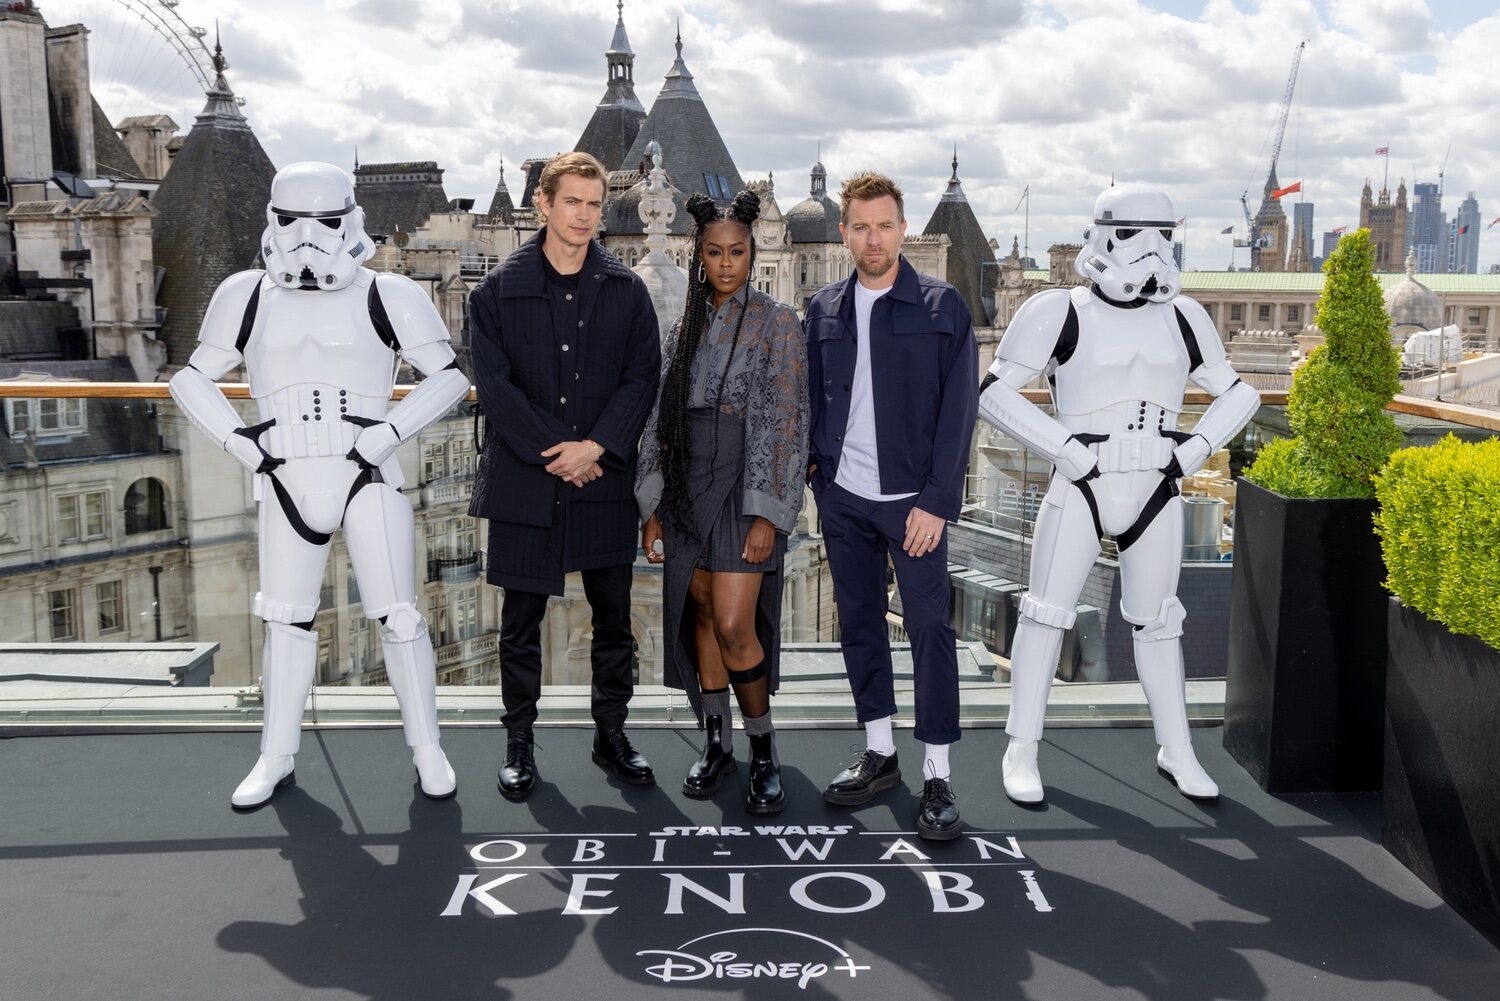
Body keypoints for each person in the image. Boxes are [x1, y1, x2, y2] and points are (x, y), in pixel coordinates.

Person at [169, 161, 469, 810]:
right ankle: (275, 755)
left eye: (325, 221)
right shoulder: (245, 293)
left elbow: (447, 377)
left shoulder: (387, 293)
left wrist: (386, 433)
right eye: (293, 220)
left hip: (365, 471)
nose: (309, 236)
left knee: (400, 615)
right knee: (285, 620)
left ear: (349, 218)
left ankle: (428, 749)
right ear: (273, 220)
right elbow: (190, 378)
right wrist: (241, 442)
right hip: (285, 474)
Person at [978, 183, 1260, 804]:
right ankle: (1021, 747)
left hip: (1157, 484)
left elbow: (1240, 393)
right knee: (1045, 612)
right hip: (1084, 481)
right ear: (1104, 235)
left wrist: (1190, 451)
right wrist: (1067, 451)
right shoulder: (1058, 310)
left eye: (1165, 236)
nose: (1152, 250)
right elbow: (994, 392)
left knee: (1160, 623)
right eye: (1136, 234)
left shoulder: (1184, 316)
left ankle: (1177, 748)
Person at [468, 151, 662, 801]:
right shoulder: (493, 292)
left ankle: (612, 732)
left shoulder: (628, 291)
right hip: (527, 480)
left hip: (600, 478)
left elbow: (642, 378)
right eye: (571, 202)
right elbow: (494, 388)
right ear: (543, 205)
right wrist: (563, 450)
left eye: (593, 203)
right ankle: (519, 743)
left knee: (615, 621)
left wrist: (597, 446)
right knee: (519, 626)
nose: (584, 215)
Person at [803, 172, 978, 840]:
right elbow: (815, 401)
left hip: (914, 506)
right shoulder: (822, 309)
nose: (873, 238)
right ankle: (879, 752)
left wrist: (936, 502)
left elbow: (959, 412)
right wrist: (823, 479)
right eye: (860, 226)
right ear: (845, 232)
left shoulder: (943, 308)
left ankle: (936, 771)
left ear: (902, 229)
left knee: (930, 629)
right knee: (860, 625)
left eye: (884, 225)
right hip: (845, 499)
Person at [636, 190, 809, 814]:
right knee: (701, 612)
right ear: (699, 256)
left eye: (737, 251)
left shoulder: (779, 321)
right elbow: (659, 415)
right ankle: (717, 744)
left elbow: (788, 420)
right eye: (714, 252)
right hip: (687, 482)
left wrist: (768, 512)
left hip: (745, 479)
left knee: (736, 622)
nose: (727, 263)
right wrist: (652, 501)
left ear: (752, 251)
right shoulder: (685, 323)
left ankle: (764, 752)